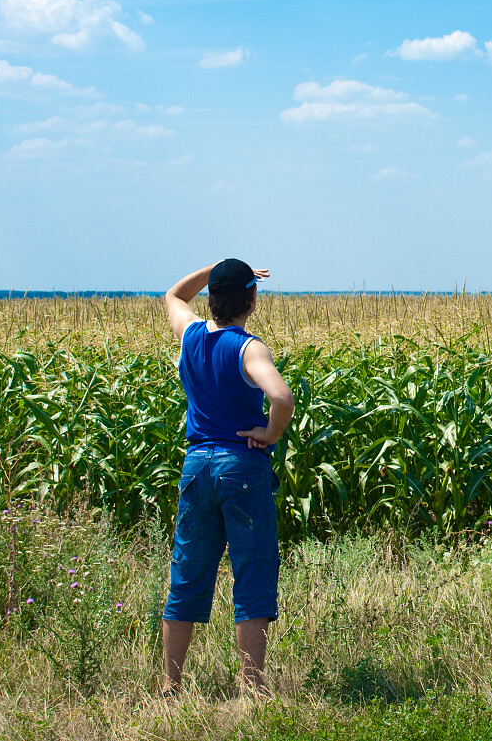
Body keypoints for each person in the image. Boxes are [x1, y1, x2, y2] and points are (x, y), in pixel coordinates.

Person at [160, 259, 294, 695]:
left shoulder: (191, 334)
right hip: (241, 467)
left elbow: (175, 295)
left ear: (213, 298)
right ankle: (252, 686)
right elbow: (281, 397)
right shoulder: (248, 348)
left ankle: (171, 685)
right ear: (251, 300)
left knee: (188, 574)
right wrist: (269, 433)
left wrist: (215, 266)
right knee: (252, 571)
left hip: (197, 465)